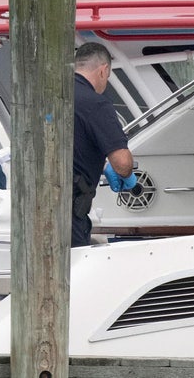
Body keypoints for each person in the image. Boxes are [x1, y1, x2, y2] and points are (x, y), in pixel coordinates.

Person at [72, 42, 136, 247]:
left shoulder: (52, 96)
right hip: (70, 212)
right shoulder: (96, 103)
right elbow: (122, 164)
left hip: (35, 206)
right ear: (103, 70)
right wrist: (127, 175)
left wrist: (102, 166)